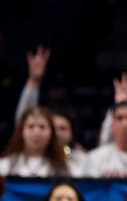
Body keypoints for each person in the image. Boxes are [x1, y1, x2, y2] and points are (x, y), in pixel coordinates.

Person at [14, 45, 87, 174]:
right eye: (53, 128)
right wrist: (34, 80)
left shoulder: (78, 163)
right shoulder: (14, 162)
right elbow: (24, 119)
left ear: (73, 134)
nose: (57, 133)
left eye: (63, 128)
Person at [0, 106, 70, 177]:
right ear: (21, 131)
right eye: (31, 126)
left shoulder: (64, 167)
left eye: (42, 127)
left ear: (52, 132)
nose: (36, 133)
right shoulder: (5, 165)